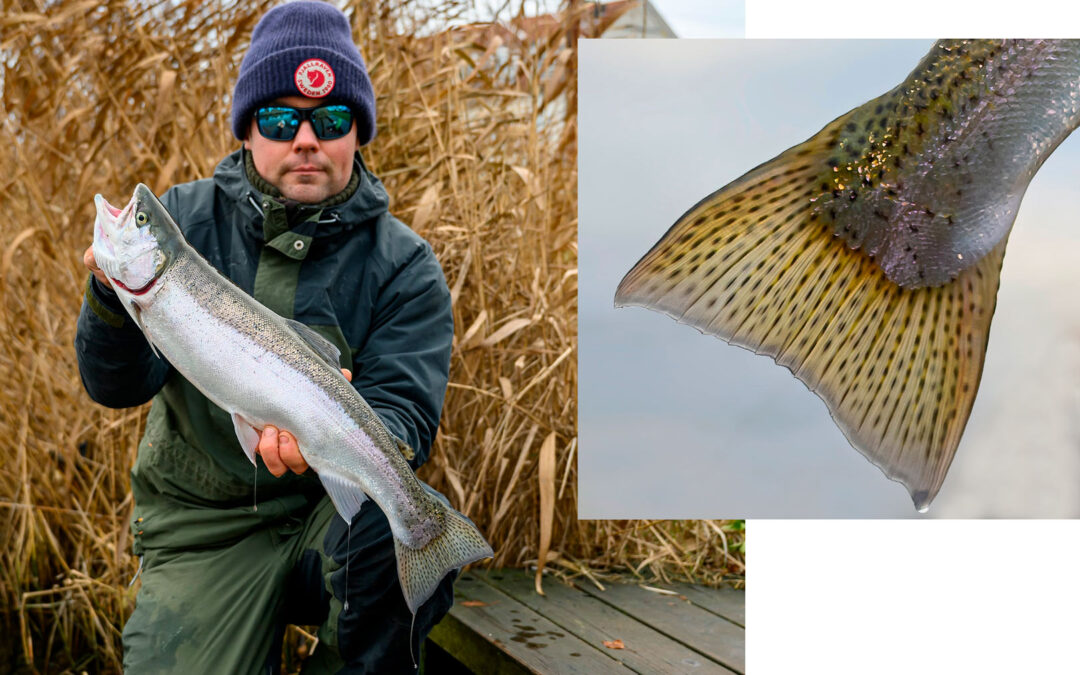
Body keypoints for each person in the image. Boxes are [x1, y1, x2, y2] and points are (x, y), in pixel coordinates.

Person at [74, 2, 457, 672]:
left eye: (330, 119)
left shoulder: (405, 263)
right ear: (249, 128)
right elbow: (114, 387)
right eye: (282, 119)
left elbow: (405, 409)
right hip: (203, 534)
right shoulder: (184, 222)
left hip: (326, 523)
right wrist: (111, 298)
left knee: (393, 519)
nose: (305, 138)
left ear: (356, 134)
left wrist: (338, 428)